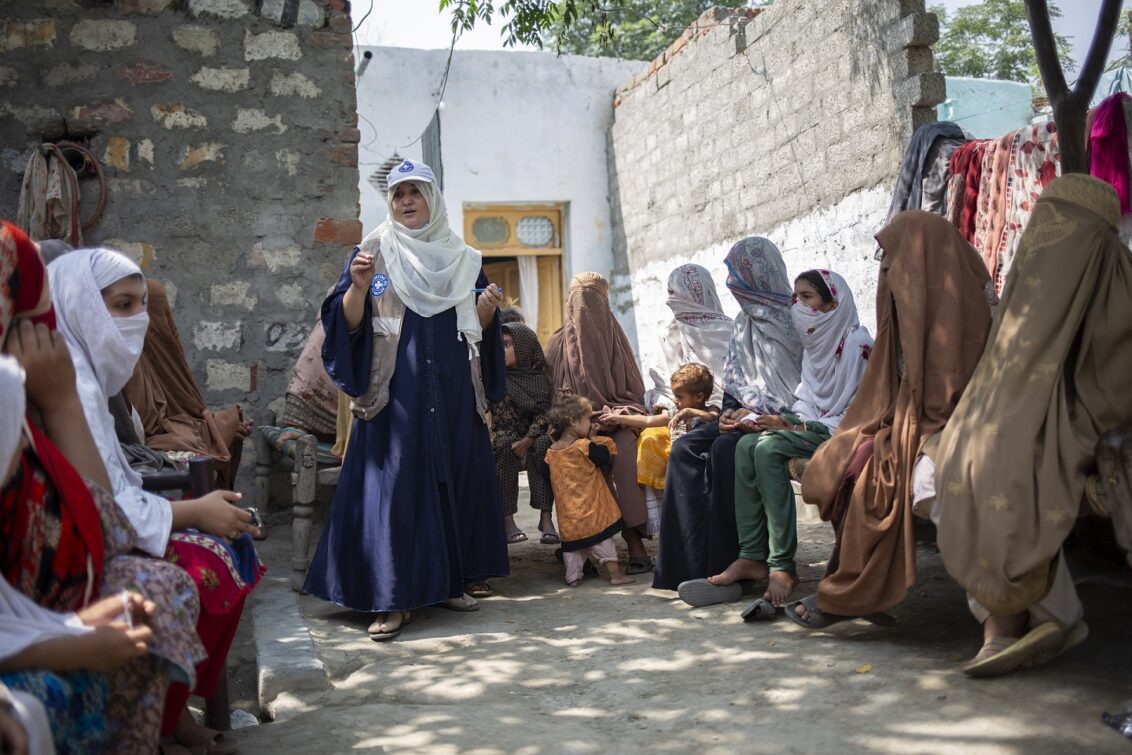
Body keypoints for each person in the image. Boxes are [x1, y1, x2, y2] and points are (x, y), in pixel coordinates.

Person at [48, 248, 261, 753]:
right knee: (205, 559)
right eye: (121, 305)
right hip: (73, 541)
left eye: (142, 305)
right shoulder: (66, 380)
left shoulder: (92, 374)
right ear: (81, 303)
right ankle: (166, 723)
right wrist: (194, 511)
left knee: (234, 551)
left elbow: (114, 479)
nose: (137, 319)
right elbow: (97, 503)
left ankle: (175, 708)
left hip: (116, 520)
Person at [931, 175, 1132, 677]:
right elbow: (1008, 363)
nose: (1050, 247)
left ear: (1102, 237)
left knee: (1004, 463)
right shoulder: (1037, 284)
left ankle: (1007, 622)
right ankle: (1047, 613)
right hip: (1029, 409)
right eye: (1045, 229)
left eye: (1069, 231)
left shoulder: (1119, 284)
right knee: (959, 451)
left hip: (1094, 418)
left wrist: (1044, 412)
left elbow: (1113, 386)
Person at [303, 159, 509, 641]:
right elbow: (348, 324)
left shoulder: (461, 256)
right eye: (398, 195)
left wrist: (486, 308)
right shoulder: (373, 253)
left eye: (415, 193)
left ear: (432, 199)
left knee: (448, 477)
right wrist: (356, 287)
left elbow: (476, 326)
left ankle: (449, 583)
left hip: (454, 387)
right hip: (395, 388)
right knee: (395, 486)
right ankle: (391, 598)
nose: (407, 202)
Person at [789, 211, 993, 630]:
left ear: (921, 259)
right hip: (906, 416)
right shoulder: (907, 309)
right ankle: (855, 585)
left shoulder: (965, 301)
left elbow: (955, 388)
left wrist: (908, 424)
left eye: (891, 259)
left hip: (955, 417)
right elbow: (892, 381)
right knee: (845, 458)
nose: (884, 270)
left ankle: (854, 590)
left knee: (872, 475)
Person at [694, 271, 871, 609]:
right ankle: (752, 556)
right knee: (746, 446)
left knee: (768, 448)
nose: (798, 305)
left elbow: (855, 411)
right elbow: (808, 401)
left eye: (808, 297)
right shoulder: (816, 344)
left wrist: (791, 428)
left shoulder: (855, 343)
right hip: (814, 426)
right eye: (796, 297)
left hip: (845, 431)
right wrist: (778, 420)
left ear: (834, 303)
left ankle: (782, 567)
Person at [653, 237, 803, 596]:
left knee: (724, 450)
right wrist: (729, 412)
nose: (733, 285)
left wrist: (748, 412)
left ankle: (733, 559)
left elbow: (799, 388)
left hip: (788, 418)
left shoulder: (796, 322)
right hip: (745, 415)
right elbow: (737, 382)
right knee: (685, 449)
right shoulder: (743, 325)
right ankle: (685, 564)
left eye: (739, 275)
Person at [545, 272, 653, 574]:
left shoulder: (617, 341)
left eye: (593, 301)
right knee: (575, 460)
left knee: (624, 456)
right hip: (572, 429)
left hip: (616, 423)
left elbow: (634, 395)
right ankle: (581, 541)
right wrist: (580, 425)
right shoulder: (557, 344)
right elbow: (554, 402)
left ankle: (634, 544)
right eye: (579, 301)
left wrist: (616, 415)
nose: (585, 309)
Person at [122, 279, 251, 489]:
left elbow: (185, 410)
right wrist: (215, 431)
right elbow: (142, 432)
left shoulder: (159, 353)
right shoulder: (123, 360)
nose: (142, 318)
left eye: (145, 307)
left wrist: (221, 426)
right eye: (127, 306)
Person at [604, 363, 719, 535]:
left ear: (699, 397)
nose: (675, 401)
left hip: (704, 473)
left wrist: (689, 412)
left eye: (680, 397)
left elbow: (712, 418)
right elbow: (648, 422)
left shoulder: (711, 410)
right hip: (681, 473)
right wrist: (619, 419)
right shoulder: (675, 414)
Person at [543, 396, 635, 587]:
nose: (590, 423)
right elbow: (603, 458)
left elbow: (545, 471)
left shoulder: (551, 452)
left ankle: (573, 578)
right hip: (592, 513)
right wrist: (592, 438)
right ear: (572, 422)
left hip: (569, 517)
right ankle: (615, 575)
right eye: (586, 419)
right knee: (604, 543)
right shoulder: (584, 446)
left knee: (573, 552)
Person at [492, 322, 557, 545]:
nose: (502, 349)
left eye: (508, 344)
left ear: (524, 347)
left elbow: (547, 414)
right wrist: (520, 443)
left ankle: (546, 517)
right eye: (499, 345)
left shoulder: (541, 378)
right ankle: (507, 519)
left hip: (535, 436)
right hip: (508, 435)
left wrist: (528, 440)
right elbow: (503, 421)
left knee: (543, 446)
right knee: (504, 444)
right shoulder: (497, 379)